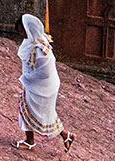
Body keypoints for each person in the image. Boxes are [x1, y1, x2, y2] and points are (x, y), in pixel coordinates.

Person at [15, 13, 76, 152]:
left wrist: (28, 77)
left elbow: (45, 72)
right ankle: (66, 136)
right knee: (45, 112)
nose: (20, 33)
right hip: (41, 84)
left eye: (23, 30)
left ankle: (30, 142)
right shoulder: (34, 41)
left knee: (27, 108)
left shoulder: (41, 50)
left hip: (43, 85)